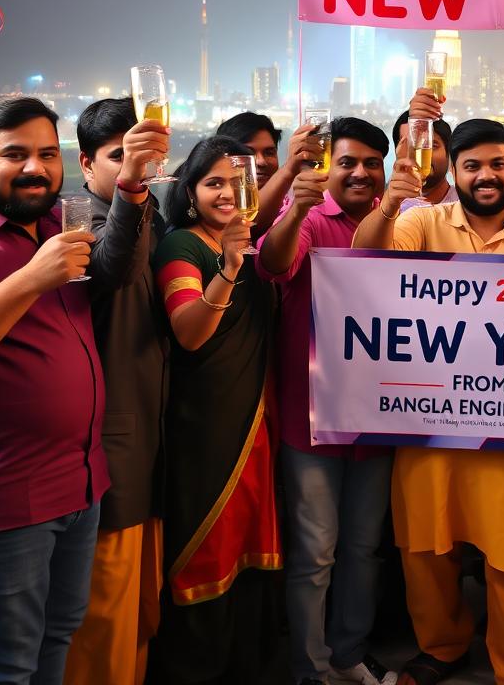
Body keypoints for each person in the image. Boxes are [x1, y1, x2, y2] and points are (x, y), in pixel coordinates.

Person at [353, 116, 504, 685]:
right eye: (472, 165)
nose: (487, 175)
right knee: (425, 551)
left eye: (497, 163)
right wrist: (386, 206)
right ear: (453, 168)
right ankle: (443, 646)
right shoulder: (420, 223)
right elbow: (365, 269)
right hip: (431, 420)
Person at [0, 97, 112, 684]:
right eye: (15, 154)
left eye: (47, 154)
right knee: (5, 663)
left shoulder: (61, 224)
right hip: (6, 493)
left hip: (79, 483)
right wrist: (31, 278)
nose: (35, 168)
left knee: (58, 636)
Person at [258, 117, 397, 685]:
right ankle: (311, 667)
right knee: (316, 553)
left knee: (364, 549)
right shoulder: (311, 218)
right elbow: (272, 263)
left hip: (384, 418)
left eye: (371, 162)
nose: (361, 172)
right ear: (326, 167)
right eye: (347, 162)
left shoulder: (405, 218)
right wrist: (293, 206)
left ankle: (349, 654)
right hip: (312, 417)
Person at [153, 136, 282, 685]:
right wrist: (229, 267)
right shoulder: (182, 246)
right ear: (190, 192)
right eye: (213, 183)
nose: (227, 194)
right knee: (207, 547)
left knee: (246, 555)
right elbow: (189, 334)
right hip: (205, 426)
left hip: (253, 419)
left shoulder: (249, 241)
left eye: (238, 183)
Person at [64, 97, 172, 685]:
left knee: (141, 608)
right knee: (106, 607)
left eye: (149, 156)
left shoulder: (156, 212)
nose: (139, 168)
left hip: (151, 443)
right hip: (113, 444)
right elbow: (115, 267)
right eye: (119, 157)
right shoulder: (79, 225)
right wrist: (131, 188)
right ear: (86, 163)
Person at [217, 111, 319, 237]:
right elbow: (250, 222)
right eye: (248, 153)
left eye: (269, 152)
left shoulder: (294, 196)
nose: (261, 162)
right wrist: (289, 168)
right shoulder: (218, 200)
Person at [391, 109, 456, 209]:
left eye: (430, 145)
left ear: (449, 153)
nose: (419, 155)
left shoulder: (467, 207)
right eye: (411, 145)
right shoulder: (389, 209)